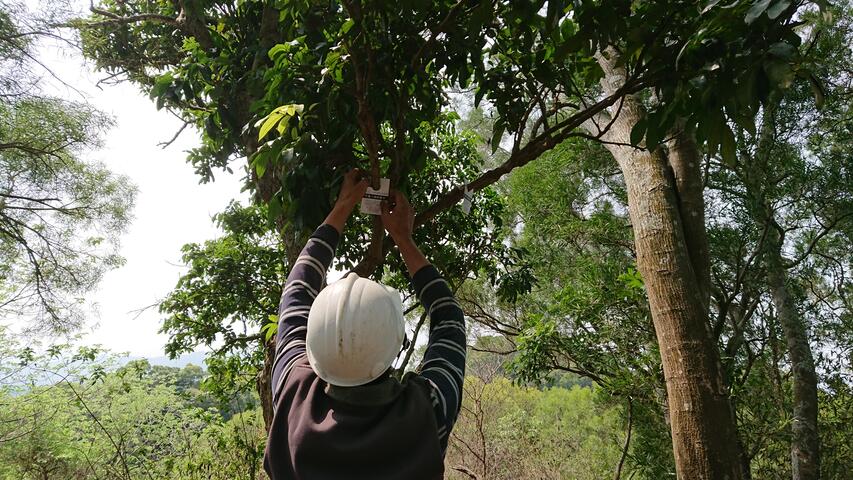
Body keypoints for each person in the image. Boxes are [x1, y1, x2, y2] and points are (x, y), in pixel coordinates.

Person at [264, 169, 467, 479]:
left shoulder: (294, 395)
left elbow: (296, 292)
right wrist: (402, 237)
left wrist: (342, 206)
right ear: (397, 346)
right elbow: (449, 317)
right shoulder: (427, 412)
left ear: (314, 343)